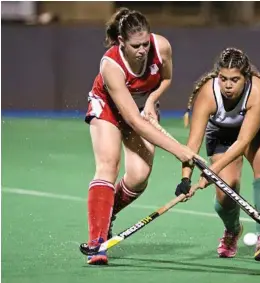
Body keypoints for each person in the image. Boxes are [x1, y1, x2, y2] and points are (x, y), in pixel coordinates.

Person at [84, 7, 198, 265]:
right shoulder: (111, 65)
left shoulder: (162, 47)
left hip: (141, 107)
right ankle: (97, 243)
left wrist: (151, 101)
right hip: (109, 109)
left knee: (138, 178)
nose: (143, 50)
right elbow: (132, 121)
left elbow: (166, 79)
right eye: (136, 45)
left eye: (146, 43)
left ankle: (108, 213)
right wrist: (178, 150)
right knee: (108, 166)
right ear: (121, 41)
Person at [175, 47, 260, 261]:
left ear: (246, 77)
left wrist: (210, 171)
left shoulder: (258, 91)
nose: (227, 85)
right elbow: (192, 145)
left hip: (259, 129)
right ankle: (232, 230)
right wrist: (185, 178)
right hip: (221, 133)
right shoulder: (208, 93)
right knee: (226, 190)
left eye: (234, 79)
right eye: (223, 78)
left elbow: (243, 142)